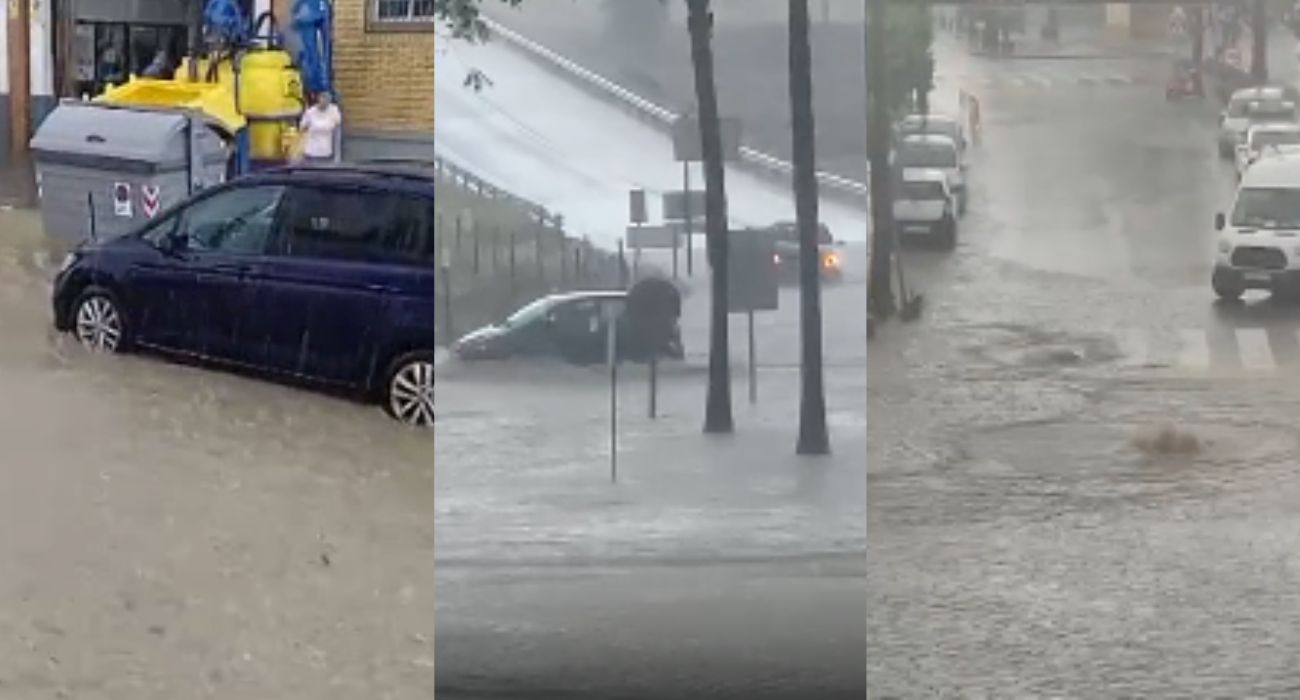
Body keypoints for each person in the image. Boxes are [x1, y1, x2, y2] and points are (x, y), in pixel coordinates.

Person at [298, 91, 343, 164]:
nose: (324, 103)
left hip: (327, 153)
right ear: (318, 100)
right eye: (322, 100)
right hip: (311, 152)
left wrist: (337, 155)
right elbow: (302, 128)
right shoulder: (310, 112)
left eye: (327, 102)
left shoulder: (334, 111)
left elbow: (337, 133)